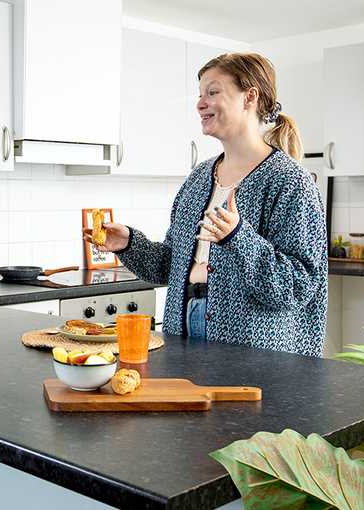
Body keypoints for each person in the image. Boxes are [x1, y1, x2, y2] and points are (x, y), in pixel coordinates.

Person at [86, 53, 327, 357]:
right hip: (183, 326)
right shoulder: (200, 177)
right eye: (200, 95)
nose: (200, 104)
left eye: (213, 92)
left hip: (253, 345)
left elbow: (300, 286)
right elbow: (169, 266)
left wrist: (239, 238)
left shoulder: (290, 181)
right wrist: (129, 244)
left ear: (249, 97)